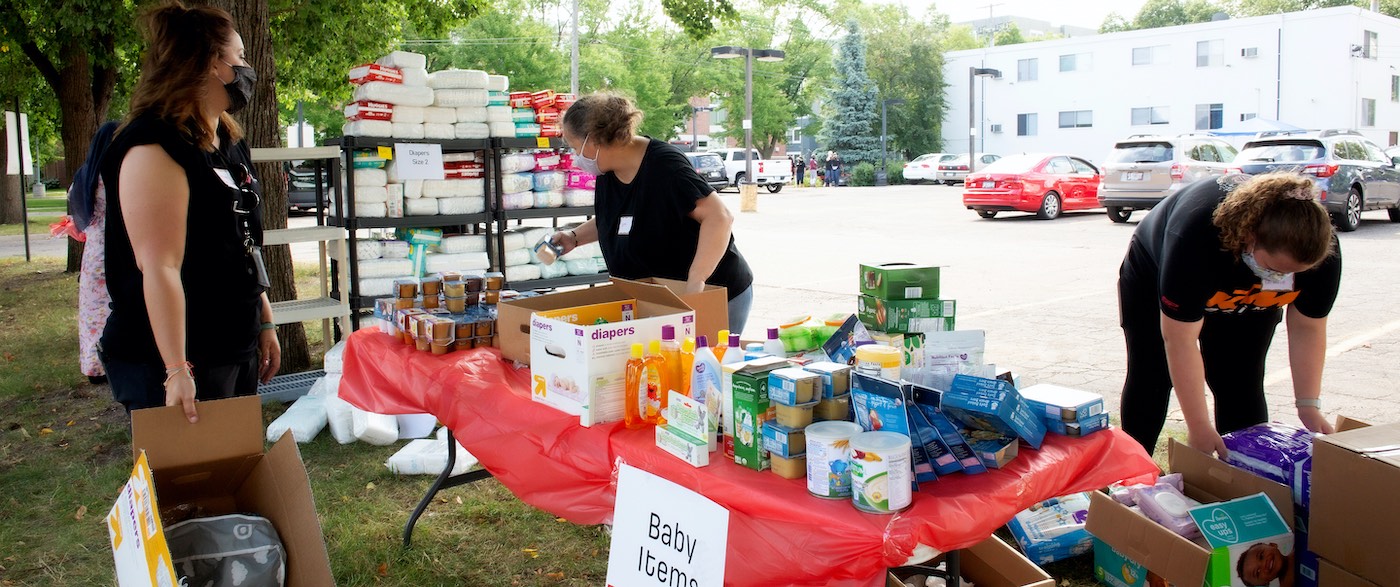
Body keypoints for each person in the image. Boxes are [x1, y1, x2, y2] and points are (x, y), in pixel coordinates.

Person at [99, 1, 280, 423]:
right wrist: (177, 369)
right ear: (210, 65)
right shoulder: (154, 144)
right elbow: (158, 266)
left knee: (231, 478)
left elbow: (242, 243)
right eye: (239, 57)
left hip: (232, 342)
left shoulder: (226, 140)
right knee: (184, 484)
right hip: (175, 359)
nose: (247, 68)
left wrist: (264, 320)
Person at [1117, 173, 1340, 457]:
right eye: (1275, 269)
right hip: (1154, 273)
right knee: (1153, 374)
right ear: (1249, 237)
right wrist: (1198, 427)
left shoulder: (1319, 249)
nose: (1284, 277)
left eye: (1297, 272)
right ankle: (1133, 476)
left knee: (1240, 381)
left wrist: (1308, 405)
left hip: (1242, 295)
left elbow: (1308, 327)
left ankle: (1242, 477)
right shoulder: (1195, 239)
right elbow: (1180, 341)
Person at [551, 92, 754, 335]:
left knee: (702, 368)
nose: (576, 158)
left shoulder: (664, 167)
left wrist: (695, 283)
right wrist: (573, 237)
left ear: (593, 140)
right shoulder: (608, 170)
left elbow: (719, 217)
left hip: (711, 293)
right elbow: (616, 218)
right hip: (660, 298)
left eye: (575, 147)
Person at [72, 121, 120, 385]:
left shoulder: (87, 174)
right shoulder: (116, 171)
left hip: (93, 251)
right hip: (117, 245)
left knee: (93, 310)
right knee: (115, 305)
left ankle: (94, 365)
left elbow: (76, 207)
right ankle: (113, 361)